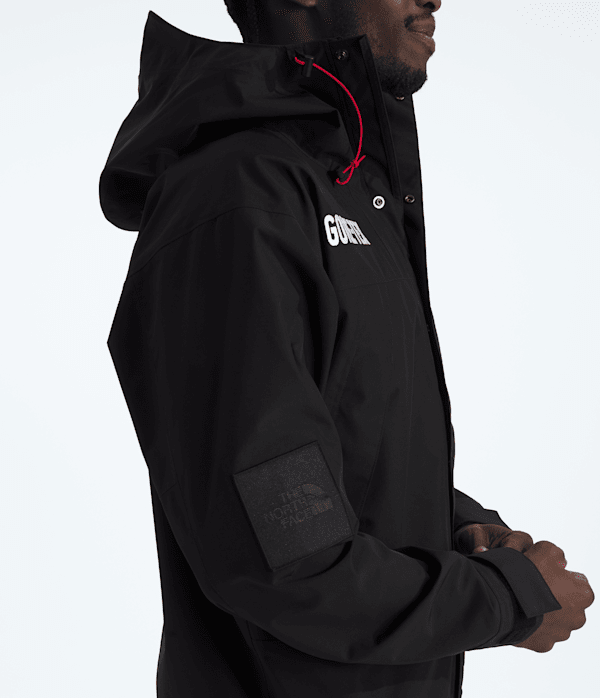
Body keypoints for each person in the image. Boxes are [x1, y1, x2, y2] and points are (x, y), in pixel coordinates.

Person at [99, 2, 594, 696]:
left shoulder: (344, 188)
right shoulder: (239, 197)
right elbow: (284, 558)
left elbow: (333, 458)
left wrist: (457, 527)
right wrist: (508, 598)